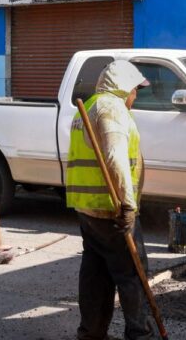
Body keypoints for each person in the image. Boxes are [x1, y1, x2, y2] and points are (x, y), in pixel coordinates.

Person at [66, 60, 158, 340]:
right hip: (111, 209)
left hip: (88, 208)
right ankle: (140, 334)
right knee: (132, 273)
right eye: (135, 90)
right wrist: (128, 205)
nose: (135, 96)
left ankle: (91, 333)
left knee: (95, 273)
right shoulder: (112, 108)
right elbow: (114, 158)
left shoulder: (90, 106)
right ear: (123, 87)